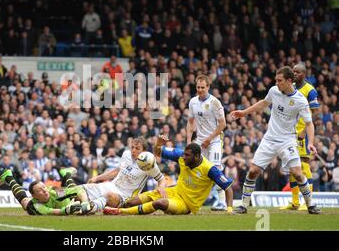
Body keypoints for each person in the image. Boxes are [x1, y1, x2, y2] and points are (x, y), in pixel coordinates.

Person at [231, 67, 321, 214]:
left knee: (298, 173)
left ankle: (311, 205)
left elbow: (309, 123)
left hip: (288, 140)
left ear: (289, 81)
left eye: (280, 80)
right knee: (253, 171)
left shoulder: (300, 101)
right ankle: (243, 206)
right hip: (270, 139)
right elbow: (263, 103)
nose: (276, 83)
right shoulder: (274, 91)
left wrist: (310, 143)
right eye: (276, 80)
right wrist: (244, 112)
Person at [103, 135, 234, 215]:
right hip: (174, 191)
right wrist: (159, 144)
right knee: (133, 201)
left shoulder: (210, 169)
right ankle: (116, 207)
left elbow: (228, 187)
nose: (183, 157)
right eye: (184, 154)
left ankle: (120, 212)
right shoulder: (181, 156)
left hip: (187, 205)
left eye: (187, 156)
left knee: (160, 203)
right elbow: (158, 152)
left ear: (197, 156)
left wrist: (229, 209)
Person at [82, 136, 166, 214]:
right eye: (132, 147)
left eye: (137, 148)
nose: (133, 150)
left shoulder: (148, 162)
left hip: (126, 197)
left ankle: (89, 207)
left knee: (110, 196)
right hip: (111, 186)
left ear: (144, 151)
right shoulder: (126, 154)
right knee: (82, 190)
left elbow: (161, 179)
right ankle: (82, 205)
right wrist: (97, 178)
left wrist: (161, 188)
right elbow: (117, 171)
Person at [280, 62, 320, 210]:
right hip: (290, 133)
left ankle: (308, 201)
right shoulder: (292, 89)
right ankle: (295, 202)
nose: (295, 74)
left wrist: (304, 131)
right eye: (293, 72)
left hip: (303, 134)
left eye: (297, 72)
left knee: (304, 164)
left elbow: (316, 113)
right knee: (292, 166)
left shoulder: (310, 90)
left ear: (304, 73)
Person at [187, 75, 227, 210]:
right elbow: (190, 121)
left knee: (215, 169)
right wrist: (188, 141)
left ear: (208, 87)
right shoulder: (192, 102)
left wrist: (209, 138)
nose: (200, 90)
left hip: (214, 141)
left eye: (203, 87)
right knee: (196, 168)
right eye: (198, 87)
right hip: (200, 141)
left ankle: (222, 202)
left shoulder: (215, 102)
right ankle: (195, 200)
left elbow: (223, 124)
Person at [0, 168, 89, 215]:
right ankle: (9, 177)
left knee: (72, 194)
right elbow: (54, 212)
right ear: (34, 196)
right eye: (40, 190)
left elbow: (78, 190)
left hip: (62, 201)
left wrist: (85, 203)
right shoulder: (36, 206)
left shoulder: (55, 193)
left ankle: (66, 173)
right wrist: (66, 210)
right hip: (40, 207)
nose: (44, 191)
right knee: (24, 202)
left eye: (44, 187)